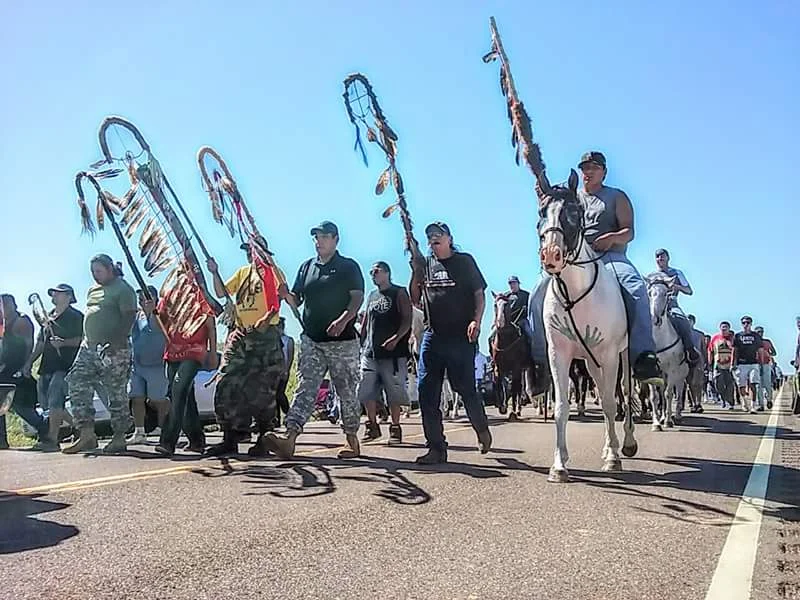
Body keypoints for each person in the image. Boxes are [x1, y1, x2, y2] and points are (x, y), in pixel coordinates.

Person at [528, 151, 663, 394]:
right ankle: (539, 361)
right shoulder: (571, 197)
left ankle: (644, 356)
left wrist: (611, 238)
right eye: (584, 168)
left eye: (594, 167)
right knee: (537, 293)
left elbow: (629, 231)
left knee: (636, 288)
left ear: (604, 171)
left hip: (610, 257)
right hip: (572, 258)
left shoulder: (616, 197)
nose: (588, 172)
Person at [265, 221, 364, 459]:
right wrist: (286, 295)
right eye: (316, 237)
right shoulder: (306, 267)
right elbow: (296, 300)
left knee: (346, 391)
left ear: (335, 239)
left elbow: (357, 298)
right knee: (306, 387)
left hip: (343, 342)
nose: (318, 241)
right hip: (312, 339)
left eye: (323, 236)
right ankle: (289, 439)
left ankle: (351, 438)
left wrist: (343, 320)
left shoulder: (348, 267)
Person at [408, 221, 492, 464]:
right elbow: (415, 299)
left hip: (461, 336)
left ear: (449, 238)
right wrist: (416, 272)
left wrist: (476, 320)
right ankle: (436, 447)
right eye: (430, 236)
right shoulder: (426, 264)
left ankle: (481, 428)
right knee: (427, 391)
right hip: (433, 334)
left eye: (438, 235)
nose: (433, 239)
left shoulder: (464, 261)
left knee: (464, 388)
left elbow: (479, 293)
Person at [205, 236, 288, 456]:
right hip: (241, 333)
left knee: (262, 389)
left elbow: (279, 297)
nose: (250, 253)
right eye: (248, 250)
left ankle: (264, 438)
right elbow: (223, 292)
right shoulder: (243, 273)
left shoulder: (273, 271)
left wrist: (268, 316)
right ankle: (230, 436)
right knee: (227, 381)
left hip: (264, 335)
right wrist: (215, 272)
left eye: (253, 249)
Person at [63, 255, 138, 454]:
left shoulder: (123, 289)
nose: (95, 276)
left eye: (99, 271)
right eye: (93, 272)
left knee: (115, 390)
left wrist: (116, 341)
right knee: (76, 381)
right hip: (89, 347)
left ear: (109, 269)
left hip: (114, 348)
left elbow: (130, 316)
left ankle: (119, 436)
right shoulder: (92, 290)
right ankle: (87, 434)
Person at [155, 288, 217, 456]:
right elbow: (161, 321)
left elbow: (211, 326)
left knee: (178, 390)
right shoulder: (170, 294)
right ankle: (196, 440)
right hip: (173, 352)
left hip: (194, 351)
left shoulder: (201, 294)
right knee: (185, 398)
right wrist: (152, 312)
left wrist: (212, 352)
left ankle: (167, 441)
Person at [22, 284, 83, 450]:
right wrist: (29, 362)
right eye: (54, 293)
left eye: (58, 293)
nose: (54, 295)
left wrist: (64, 343)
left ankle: (52, 440)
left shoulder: (76, 316)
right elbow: (41, 343)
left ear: (69, 296)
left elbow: (81, 340)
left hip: (64, 366)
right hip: (46, 366)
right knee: (49, 405)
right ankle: (82, 428)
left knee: (56, 402)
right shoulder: (47, 317)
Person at [357, 261, 412, 445]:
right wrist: (361, 342)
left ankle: (395, 427)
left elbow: (407, 319)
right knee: (366, 389)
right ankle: (372, 425)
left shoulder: (399, 292)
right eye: (371, 271)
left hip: (393, 353)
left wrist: (396, 338)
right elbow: (366, 322)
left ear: (387, 273)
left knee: (393, 390)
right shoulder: (372, 296)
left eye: (377, 271)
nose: (373, 274)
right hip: (370, 352)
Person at [0, 294, 51, 449]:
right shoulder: (3, 322)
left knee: (20, 405)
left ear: (13, 305)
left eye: (6, 306)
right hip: (4, 370)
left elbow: (28, 345)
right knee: (2, 405)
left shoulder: (21, 321)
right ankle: (1, 440)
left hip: (16, 370)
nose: (4, 309)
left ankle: (45, 427)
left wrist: (26, 366)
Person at [127, 286, 169, 444]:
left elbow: (160, 329)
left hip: (157, 363)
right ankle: (139, 432)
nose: (143, 301)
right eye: (140, 299)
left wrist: (152, 312)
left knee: (158, 399)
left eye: (146, 298)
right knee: (136, 397)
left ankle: (163, 428)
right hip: (138, 365)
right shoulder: (137, 316)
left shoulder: (161, 314)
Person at [647, 249, 700, 365]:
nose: (660, 259)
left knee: (683, 320)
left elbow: (689, 290)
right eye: (657, 257)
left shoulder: (677, 273)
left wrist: (678, 287)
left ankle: (689, 350)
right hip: (655, 303)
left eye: (662, 256)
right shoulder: (651, 276)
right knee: (642, 321)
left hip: (671, 303)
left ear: (668, 258)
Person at [733, 315, 762, 414]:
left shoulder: (755, 336)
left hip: (753, 363)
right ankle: (745, 403)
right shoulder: (738, 336)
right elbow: (735, 350)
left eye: (748, 323)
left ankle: (753, 406)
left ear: (751, 324)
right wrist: (734, 363)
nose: (746, 324)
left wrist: (761, 363)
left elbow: (760, 350)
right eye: (744, 323)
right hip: (741, 364)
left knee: (753, 384)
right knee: (741, 385)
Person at [708, 321, 735, 409]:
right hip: (718, 365)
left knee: (729, 385)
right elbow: (710, 350)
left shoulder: (733, 339)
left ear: (729, 329)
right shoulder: (715, 338)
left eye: (726, 327)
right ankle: (723, 399)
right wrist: (709, 362)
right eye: (722, 327)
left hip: (729, 365)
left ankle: (730, 402)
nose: (724, 329)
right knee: (717, 383)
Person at [275, 317, 294, 428]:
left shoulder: (288, 340)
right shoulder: (273, 340)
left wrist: (286, 369)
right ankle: (277, 419)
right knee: (274, 396)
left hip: (283, 371)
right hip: (274, 371)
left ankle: (289, 414)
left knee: (280, 394)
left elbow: (290, 356)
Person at [754, 325, 777, 411]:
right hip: (756, 364)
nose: (760, 334)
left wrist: (768, 354)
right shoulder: (754, 342)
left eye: (761, 332)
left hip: (766, 364)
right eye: (758, 332)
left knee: (767, 383)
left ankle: (769, 399)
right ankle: (760, 404)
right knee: (758, 385)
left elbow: (774, 352)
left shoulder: (767, 342)